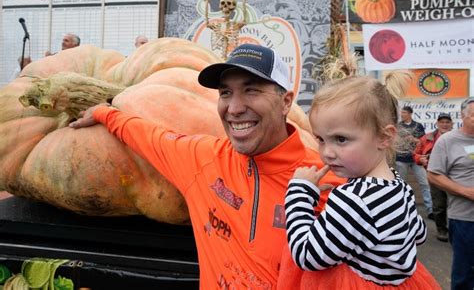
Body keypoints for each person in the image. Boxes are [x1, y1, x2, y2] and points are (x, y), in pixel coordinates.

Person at [69, 43, 343, 289]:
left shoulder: (329, 181)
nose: (234, 108)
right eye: (226, 93)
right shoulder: (202, 160)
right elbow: (147, 136)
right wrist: (104, 112)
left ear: (285, 102)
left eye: (251, 90)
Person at [284, 75, 440, 289]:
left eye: (341, 139)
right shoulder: (398, 185)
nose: (327, 153)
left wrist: (299, 194)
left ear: (384, 137)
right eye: (320, 139)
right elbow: (418, 234)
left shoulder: (353, 199)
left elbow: (307, 255)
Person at [428, 97, 474, 290]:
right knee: (464, 274)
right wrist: (466, 192)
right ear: (463, 117)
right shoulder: (448, 141)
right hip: (465, 219)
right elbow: (434, 175)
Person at [413, 112, 453, 242]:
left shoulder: (459, 137)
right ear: (437, 123)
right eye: (442, 122)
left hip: (455, 176)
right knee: (439, 204)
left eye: (447, 122)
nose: (444, 124)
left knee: (456, 205)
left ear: (451, 124)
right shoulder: (427, 138)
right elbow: (416, 154)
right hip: (435, 175)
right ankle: (442, 230)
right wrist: (421, 160)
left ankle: (455, 230)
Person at [396, 105, 433, 218]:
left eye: (404, 113)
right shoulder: (397, 126)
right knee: (400, 184)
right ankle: (400, 209)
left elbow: (423, 142)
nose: (402, 115)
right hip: (401, 158)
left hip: (417, 159)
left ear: (410, 114)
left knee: (424, 183)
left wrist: (414, 139)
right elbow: (393, 141)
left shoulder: (418, 126)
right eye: (401, 113)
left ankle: (430, 210)